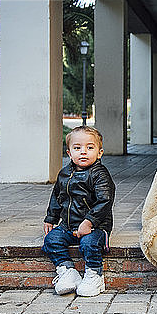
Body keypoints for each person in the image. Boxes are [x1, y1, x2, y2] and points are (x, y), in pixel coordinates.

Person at [42, 126, 115, 296]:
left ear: (99, 153)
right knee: (51, 240)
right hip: (68, 225)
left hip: (96, 225)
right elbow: (57, 196)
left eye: (90, 148)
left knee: (88, 244)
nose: (83, 152)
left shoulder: (100, 175)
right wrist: (51, 218)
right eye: (77, 148)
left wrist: (89, 222)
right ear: (69, 153)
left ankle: (94, 275)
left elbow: (105, 201)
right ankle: (68, 272)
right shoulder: (64, 173)